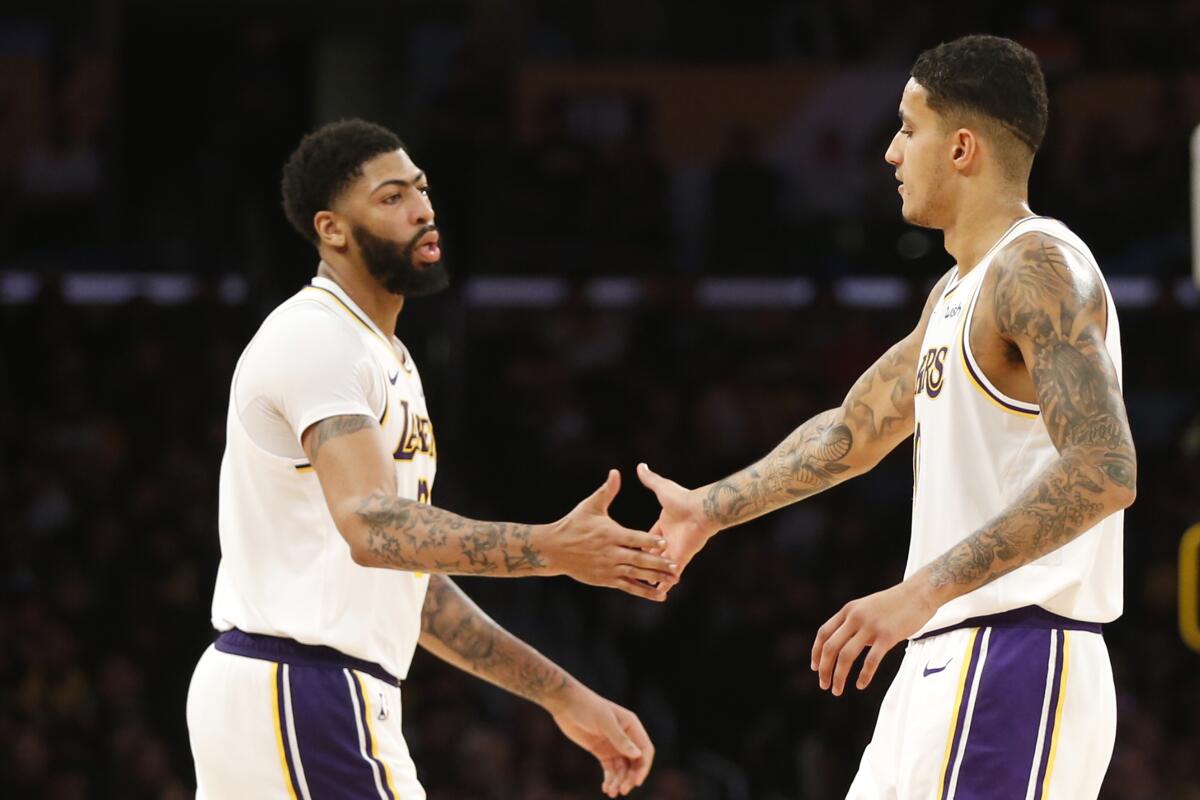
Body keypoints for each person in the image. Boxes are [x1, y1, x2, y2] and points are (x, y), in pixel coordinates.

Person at [637, 35, 1135, 799]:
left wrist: (920, 590)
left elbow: (1105, 468)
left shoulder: (1037, 268)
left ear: (962, 146)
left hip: (1016, 653)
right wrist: (709, 508)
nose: (891, 153)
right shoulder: (955, 293)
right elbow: (852, 431)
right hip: (940, 659)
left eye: (908, 128)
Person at [186, 118, 679, 799]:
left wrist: (562, 695)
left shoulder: (385, 357)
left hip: (307, 692)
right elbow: (371, 526)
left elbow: (412, 584)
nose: (422, 208)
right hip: (300, 688)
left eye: (420, 189)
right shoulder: (315, 339)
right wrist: (550, 548)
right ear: (332, 229)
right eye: (391, 198)